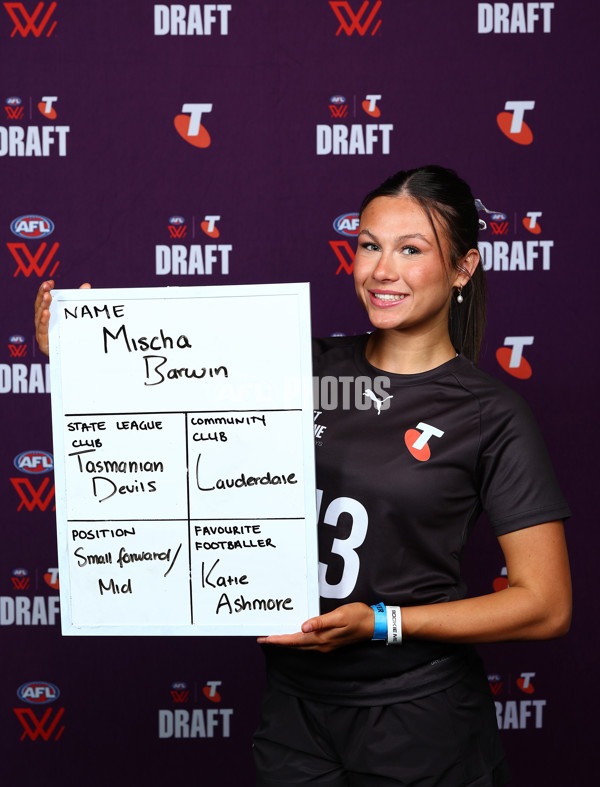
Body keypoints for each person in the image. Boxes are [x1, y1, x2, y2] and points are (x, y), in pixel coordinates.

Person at [35, 165, 571, 786]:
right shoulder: (294, 366)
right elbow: (166, 418)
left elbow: (546, 605)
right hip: (294, 715)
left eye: (412, 249)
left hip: (421, 719)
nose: (382, 270)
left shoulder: (489, 414)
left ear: (463, 268)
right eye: (369, 245)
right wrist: (84, 355)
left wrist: (381, 621)